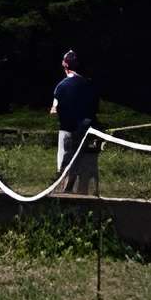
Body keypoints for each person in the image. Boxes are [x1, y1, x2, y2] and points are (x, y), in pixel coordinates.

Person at [51, 46, 101, 194]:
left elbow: (54, 109)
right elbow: (94, 108)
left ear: (65, 65)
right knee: (82, 164)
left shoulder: (61, 86)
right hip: (85, 131)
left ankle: (64, 193)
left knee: (65, 164)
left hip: (67, 130)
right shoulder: (89, 85)